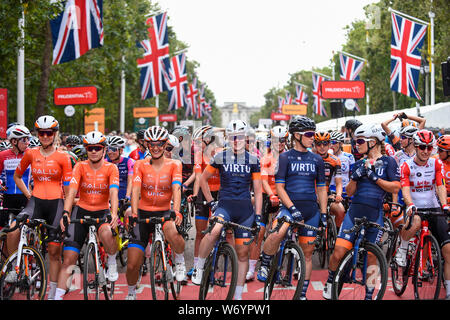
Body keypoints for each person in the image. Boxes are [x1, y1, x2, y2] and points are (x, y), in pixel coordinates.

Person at [323, 124, 401, 300]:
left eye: (359, 141)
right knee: (338, 252)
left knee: (372, 257)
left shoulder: (389, 161)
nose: (356, 144)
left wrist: (375, 178)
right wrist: (356, 176)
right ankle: (330, 281)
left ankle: (368, 295)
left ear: (372, 142)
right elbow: (349, 192)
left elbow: (395, 187)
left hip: (375, 213)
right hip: (354, 213)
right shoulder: (358, 163)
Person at [258, 116, 328, 300]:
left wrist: (323, 213)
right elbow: (279, 187)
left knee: (307, 254)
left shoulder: (317, 159)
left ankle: (302, 294)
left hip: (311, 210)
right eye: (309, 134)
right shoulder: (284, 157)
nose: (313, 138)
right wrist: (291, 207)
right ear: (297, 135)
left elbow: (321, 188)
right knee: (276, 233)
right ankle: (265, 262)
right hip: (290, 207)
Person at [192, 119, 263, 301]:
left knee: (242, 254)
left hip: (245, 211)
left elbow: (257, 190)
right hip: (224, 206)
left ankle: (238, 294)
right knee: (214, 230)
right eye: (232, 137)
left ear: (245, 137)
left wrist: (258, 215)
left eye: (239, 137)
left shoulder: (254, 159)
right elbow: (203, 180)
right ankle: (199, 268)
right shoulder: (219, 156)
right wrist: (211, 203)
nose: (236, 140)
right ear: (227, 138)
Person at [9, 115, 73, 300]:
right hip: (35, 202)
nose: (45, 136)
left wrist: (66, 212)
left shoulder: (63, 157)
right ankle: (15, 267)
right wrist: (29, 195)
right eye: (41, 133)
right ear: (37, 134)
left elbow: (68, 191)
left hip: (56, 205)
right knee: (13, 230)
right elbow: (17, 176)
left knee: (54, 252)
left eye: (48, 133)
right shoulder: (31, 153)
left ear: (54, 134)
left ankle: (53, 293)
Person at [55, 131, 120, 300]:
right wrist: (66, 213)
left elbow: (113, 192)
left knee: (107, 232)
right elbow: (72, 192)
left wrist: (114, 213)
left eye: (97, 148)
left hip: (102, 211)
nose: (93, 151)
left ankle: (111, 260)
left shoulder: (111, 168)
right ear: (86, 149)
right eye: (90, 148)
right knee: (68, 260)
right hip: (81, 212)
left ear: (104, 150)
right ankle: (56, 297)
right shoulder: (80, 167)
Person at [125, 126, 185, 300]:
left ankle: (179, 260)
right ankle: (130, 292)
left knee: (173, 232)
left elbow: (176, 188)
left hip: (164, 211)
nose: (156, 147)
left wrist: (177, 211)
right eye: (152, 144)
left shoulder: (175, 164)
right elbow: (135, 190)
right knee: (132, 265)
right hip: (143, 214)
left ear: (165, 143)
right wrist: (134, 213)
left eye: (160, 144)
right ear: (147, 144)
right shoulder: (140, 164)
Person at [394, 130, 450, 299]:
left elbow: (440, 186)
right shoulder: (406, 165)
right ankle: (403, 248)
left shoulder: (436, 164)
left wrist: (445, 205)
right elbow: (405, 189)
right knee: (416, 221)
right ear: (416, 147)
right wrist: (410, 204)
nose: (426, 151)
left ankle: (449, 292)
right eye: (422, 147)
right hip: (415, 207)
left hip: (433, 207)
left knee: (448, 251)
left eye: (429, 147)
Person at [247, 125, 287, 281]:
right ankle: (251, 268)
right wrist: (271, 195)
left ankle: (282, 265)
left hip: (284, 196)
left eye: (283, 140)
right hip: (267, 195)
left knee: (282, 232)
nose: (280, 143)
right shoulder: (265, 159)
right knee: (260, 231)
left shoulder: (290, 157)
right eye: (277, 140)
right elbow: (263, 181)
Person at [188, 125, 221, 278]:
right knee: (200, 232)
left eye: (198, 141)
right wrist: (195, 195)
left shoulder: (220, 153)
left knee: (219, 231)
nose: (195, 144)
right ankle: (196, 265)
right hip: (203, 191)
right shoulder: (198, 154)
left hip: (219, 192)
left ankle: (217, 261)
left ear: (208, 140)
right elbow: (198, 178)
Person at [0, 125, 32, 230]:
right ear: (14, 141)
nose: (27, 142)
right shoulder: (3, 155)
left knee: (23, 228)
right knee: (4, 230)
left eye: (28, 139)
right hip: (7, 198)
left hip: (25, 198)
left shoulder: (30, 154)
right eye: (24, 139)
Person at [314, 131, 345, 228]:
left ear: (329, 144)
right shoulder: (310, 158)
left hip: (327, 193)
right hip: (311, 194)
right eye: (319, 144)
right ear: (314, 144)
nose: (322, 146)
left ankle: (336, 236)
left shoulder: (335, 160)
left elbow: (338, 183)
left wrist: (339, 195)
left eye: (325, 143)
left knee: (340, 210)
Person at [436, 135, 450, 199]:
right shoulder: (435, 161)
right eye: (437, 149)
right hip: (439, 198)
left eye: (440, 150)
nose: (437, 152)